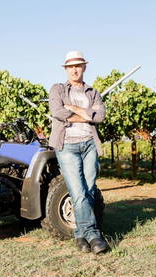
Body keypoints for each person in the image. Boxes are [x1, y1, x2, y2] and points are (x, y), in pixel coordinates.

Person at [48, 50, 109, 254]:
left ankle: (80, 235)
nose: (74, 69)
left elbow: (99, 116)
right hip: (67, 146)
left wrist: (73, 109)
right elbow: (57, 112)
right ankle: (93, 235)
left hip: (89, 144)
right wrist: (86, 114)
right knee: (78, 191)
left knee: (89, 190)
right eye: (70, 66)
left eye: (78, 66)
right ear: (66, 69)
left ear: (84, 67)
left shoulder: (92, 92)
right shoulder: (57, 89)